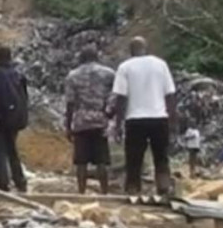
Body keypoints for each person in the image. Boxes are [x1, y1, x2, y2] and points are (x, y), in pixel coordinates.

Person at [112, 37, 177, 195]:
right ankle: (163, 186)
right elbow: (170, 95)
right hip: (159, 117)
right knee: (161, 157)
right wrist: (172, 119)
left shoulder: (125, 67)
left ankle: (133, 188)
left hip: (135, 119)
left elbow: (121, 97)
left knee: (134, 158)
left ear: (131, 50)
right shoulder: (160, 64)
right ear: (146, 48)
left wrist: (118, 124)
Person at [65, 46, 114, 195]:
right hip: (100, 120)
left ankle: (81, 192)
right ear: (96, 57)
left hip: (81, 122)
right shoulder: (109, 74)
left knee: (81, 161)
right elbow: (114, 98)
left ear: (81, 58)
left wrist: (68, 125)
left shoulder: (72, 76)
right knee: (101, 160)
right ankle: (105, 192)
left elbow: (70, 102)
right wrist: (110, 116)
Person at [0, 46, 29, 193]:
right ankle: (20, 182)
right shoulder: (19, 75)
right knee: (12, 150)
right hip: (15, 119)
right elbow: (25, 98)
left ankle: (3, 183)